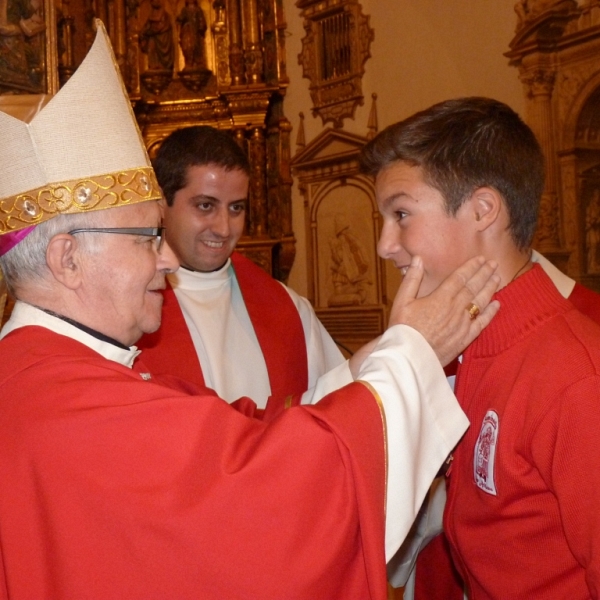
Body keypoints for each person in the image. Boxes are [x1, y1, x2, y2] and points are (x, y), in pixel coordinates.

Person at [0, 22, 501, 599]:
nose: (167, 259)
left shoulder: (49, 378)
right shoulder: (74, 408)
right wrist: (412, 353)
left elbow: (246, 433)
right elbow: (281, 503)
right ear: (67, 258)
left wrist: (390, 352)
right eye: (144, 237)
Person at [361, 96, 600, 599]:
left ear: (483, 209)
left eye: (401, 213)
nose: (385, 244)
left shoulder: (576, 377)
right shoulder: (470, 347)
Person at [138, 125, 346, 409]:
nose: (224, 229)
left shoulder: (288, 309)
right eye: (205, 206)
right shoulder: (131, 306)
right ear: (161, 205)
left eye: (236, 208)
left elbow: (332, 410)